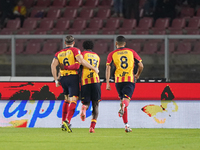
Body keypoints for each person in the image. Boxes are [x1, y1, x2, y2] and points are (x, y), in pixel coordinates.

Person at [51, 35, 99, 133]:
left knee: (66, 100)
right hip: (73, 77)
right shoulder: (75, 50)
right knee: (73, 100)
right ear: (73, 42)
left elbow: (53, 65)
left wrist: (56, 79)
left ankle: (63, 122)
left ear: (65, 43)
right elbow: (80, 62)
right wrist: (94, 68)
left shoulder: (59, 53)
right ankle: (68, 121)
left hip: (63, 79)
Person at [105, 36, 144, 132]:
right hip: (129, 79)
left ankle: (126, 125)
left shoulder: (112, 54)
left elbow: (108, 68)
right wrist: (137, 74)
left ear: (116, 44)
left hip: (118, 81)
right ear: (125, 43)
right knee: (125, 102)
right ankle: (123, 110)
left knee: (123, 101)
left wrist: (107, 82)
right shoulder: (131, 52)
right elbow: (141, 65)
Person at [79, 40, 101, 133]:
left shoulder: (82, 54)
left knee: (86, 102)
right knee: (96, 104)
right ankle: (92, 127)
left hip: (85, 81)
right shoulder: (97, 56)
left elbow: (79, 66)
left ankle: (84, 107)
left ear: (83, 47)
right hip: (95, 80)